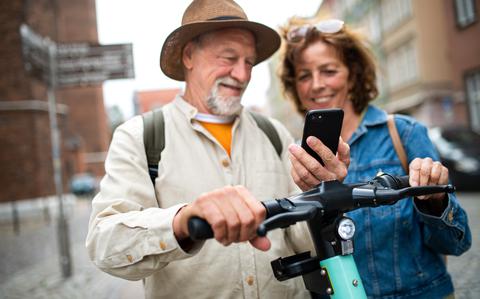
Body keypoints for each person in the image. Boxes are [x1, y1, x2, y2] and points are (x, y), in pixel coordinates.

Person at [86, 1, 350, 298]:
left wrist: (324, 195)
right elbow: (104, 243)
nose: (241, 74)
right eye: (228, 58)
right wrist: (182, 222)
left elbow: (303, 240)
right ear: (189, 56)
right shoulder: (140, 137)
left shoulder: (274, 133)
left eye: (249, 62)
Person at [279, 17, 472, 299]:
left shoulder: (403, 133)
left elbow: (458, 242)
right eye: (304, 75)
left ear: (353, 73)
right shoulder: (297, 158)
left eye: (329, 70)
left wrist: (435, 202)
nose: (316, 85)